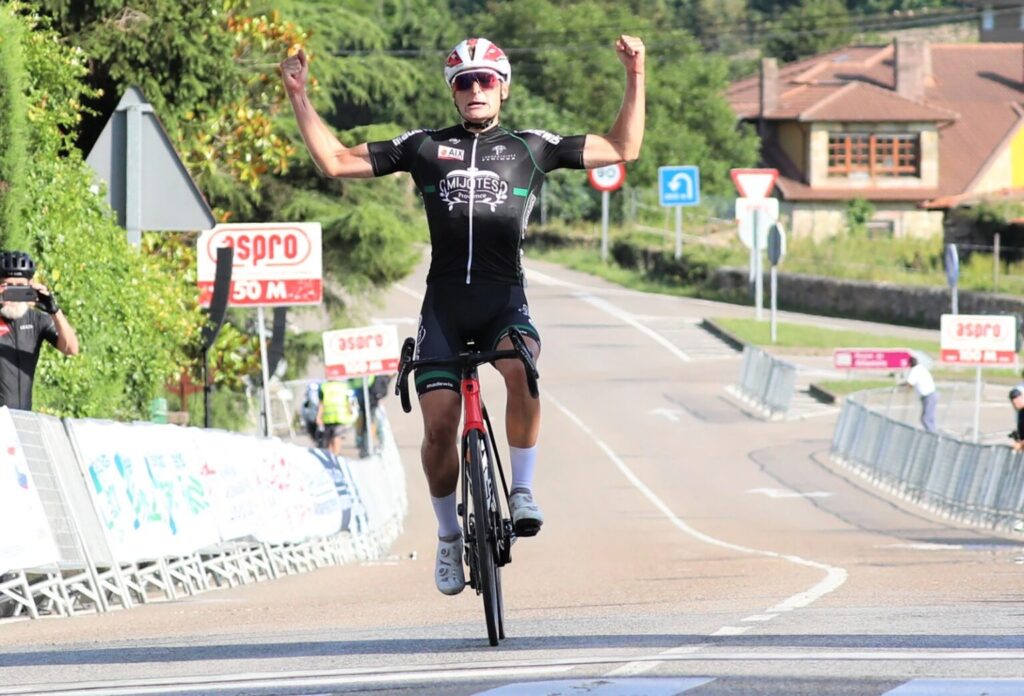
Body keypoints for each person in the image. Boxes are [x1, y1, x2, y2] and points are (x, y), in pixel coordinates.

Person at [281, 34, 645, 595]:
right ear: (453, 92)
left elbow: (624, 147)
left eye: (486, 80)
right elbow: (334, 161)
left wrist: (635, 72)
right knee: (439, 426)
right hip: (445, 306)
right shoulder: (425, 146)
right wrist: (298, 95)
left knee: (522, 368)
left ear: (503, 88)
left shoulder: (531, 147)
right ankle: (449, 536)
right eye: (464, 81)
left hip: (503, 300)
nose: (476, 89)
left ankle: (522, 491)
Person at [0, 251, 79, 410]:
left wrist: (55, 311)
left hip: (22, 417)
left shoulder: (37, 320)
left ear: (31, 285)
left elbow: (71, 349)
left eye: (20, 287)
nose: (13, 294)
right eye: (8, 286)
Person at [316, 378, 357, 456]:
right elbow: (348, 401)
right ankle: (334, 456)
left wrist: (319, 416)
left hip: (331, 417)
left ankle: (333, 456)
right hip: (338, 416)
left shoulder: (323, 386)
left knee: (334, 437)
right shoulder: (343, 386)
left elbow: (321, 403)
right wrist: (350, 411)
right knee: (334, 437)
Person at [904, 355, 937, 434]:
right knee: (930, 417)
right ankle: (933, 432)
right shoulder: (921, 368)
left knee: (925, 418)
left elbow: (910, 383)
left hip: (928, 396)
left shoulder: (914, 370)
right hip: (931, 394)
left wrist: (903, 386)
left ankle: (932, 434)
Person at [300, 379, 323, 446]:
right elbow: (304, 408)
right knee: (313, 433)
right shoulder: (308, 397)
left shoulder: (320, 394)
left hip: (319, 417)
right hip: (312, 418)